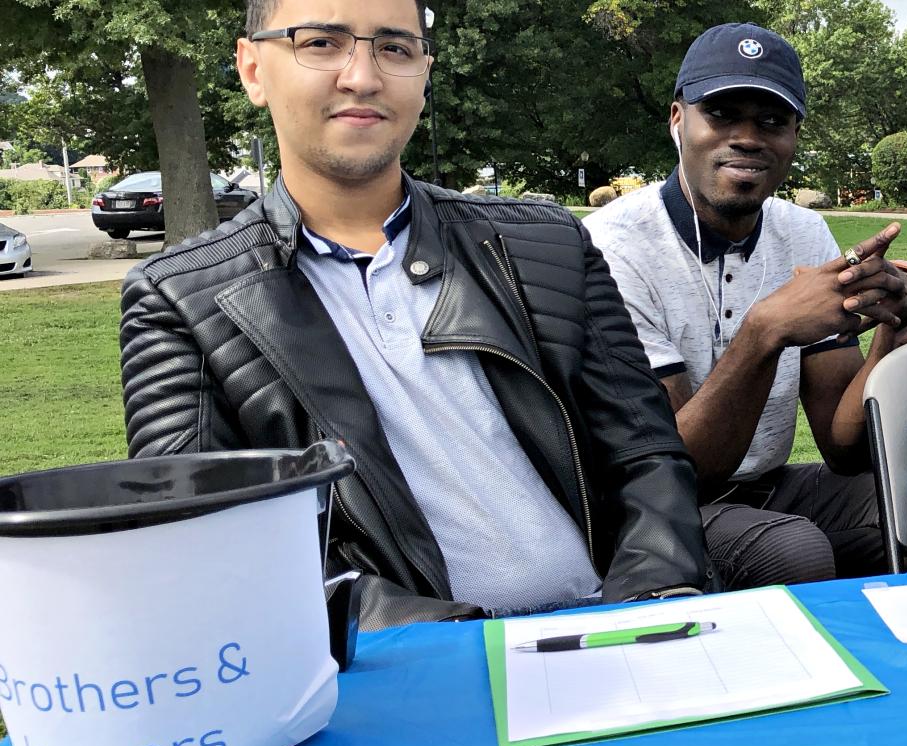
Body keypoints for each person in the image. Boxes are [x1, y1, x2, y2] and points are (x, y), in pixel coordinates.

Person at [118, 0, 709, 627]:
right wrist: (455, 644)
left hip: (611, 634)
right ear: (253, 69)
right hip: (409, 671)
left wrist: (647, 606)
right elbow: (207, 548)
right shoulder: (182, 299)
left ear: (424, 73)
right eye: (321, 42)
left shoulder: (548, 244)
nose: (363, 76)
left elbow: (647, 457)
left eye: (395, 48)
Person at [583, 24, 907, 587]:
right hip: (644, 511)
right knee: (793, 551)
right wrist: (766, 331)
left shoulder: (804, 234)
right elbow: (679, 474)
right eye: (722, 114)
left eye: (771, 121)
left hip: (766, 485)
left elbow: (842, 449)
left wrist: (893, 328)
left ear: (793, 135)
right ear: (676, 120)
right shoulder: (612, 249)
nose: (747, 138)